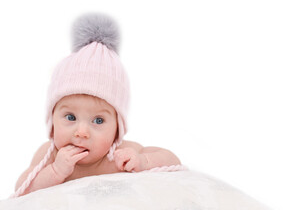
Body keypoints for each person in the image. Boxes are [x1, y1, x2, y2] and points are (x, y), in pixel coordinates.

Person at [13, 13, 182, 198]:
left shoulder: (120, 154)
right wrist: (55, 171)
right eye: (70, 117)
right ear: (52, 120)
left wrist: (143, 161)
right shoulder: (50, 155)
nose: (82, 132)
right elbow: (22, 190)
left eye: (99, 120)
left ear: (117, 128)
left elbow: (173, 161)